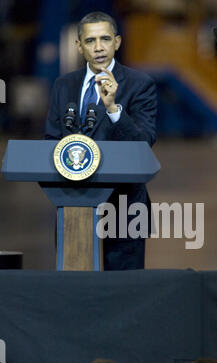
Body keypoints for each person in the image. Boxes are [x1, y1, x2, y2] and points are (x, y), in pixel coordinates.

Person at [45, 11, 157, 271]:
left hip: (125, 206)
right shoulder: (63, 86)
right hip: (73, 203)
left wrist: (114, 109)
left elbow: (144, 143)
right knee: (75, 288)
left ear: (117, 42)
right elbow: (51, 141)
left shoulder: (140, 84)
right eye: (90, 41)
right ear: (79, 46)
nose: (98, 48)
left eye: (105, 39)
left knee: (124, 292)